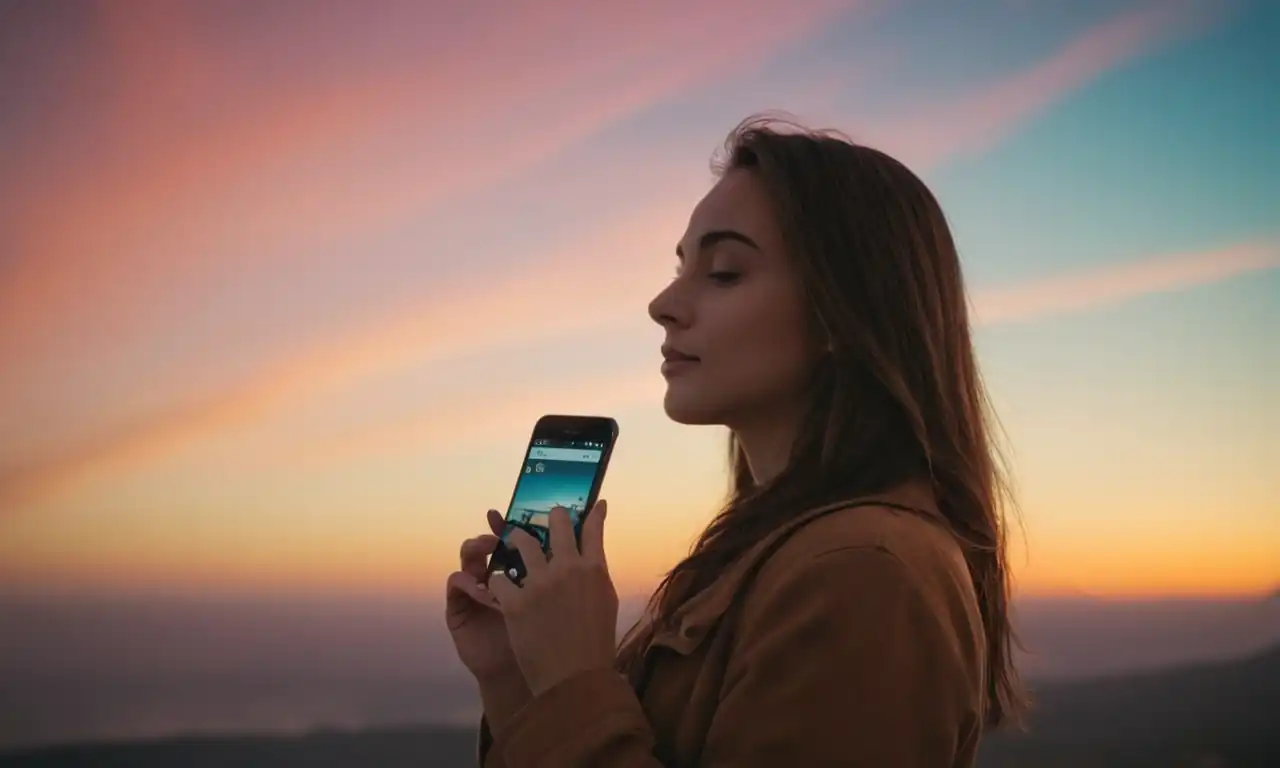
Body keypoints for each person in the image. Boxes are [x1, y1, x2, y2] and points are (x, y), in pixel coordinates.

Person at [445, 114, 1026, 766]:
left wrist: (576, 681)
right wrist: (518, 679)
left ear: (845, 313)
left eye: (723, 272)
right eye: (681, 266)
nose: (663, 302)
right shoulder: (783, 553)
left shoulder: (865, 572)